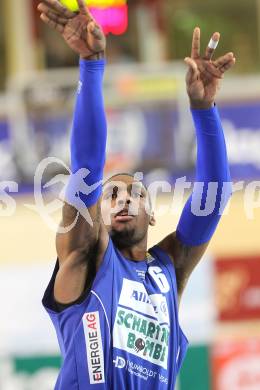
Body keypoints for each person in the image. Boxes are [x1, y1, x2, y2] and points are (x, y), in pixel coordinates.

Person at [37, 1, 235, 389]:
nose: (122, 199)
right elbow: (87, 169)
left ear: (152, 213)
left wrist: (204, 108)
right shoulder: (85, 256)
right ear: (100, 214)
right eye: (111, 195)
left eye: (135, 193)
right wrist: (92, 66)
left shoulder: (168, 272)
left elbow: (213, 199)